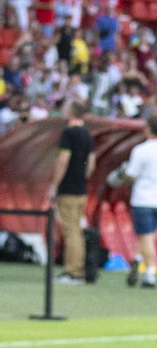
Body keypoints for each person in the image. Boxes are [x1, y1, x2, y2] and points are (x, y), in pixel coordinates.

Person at [124, 115, 157, 288]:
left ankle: (149, 274)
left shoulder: (141, 150)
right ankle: (137, 258)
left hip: (143, 198)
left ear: (148, 129)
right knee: (148, 234)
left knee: (146, 236)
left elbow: (131, 175)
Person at [51, 102, 95, 285]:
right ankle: (78, 268)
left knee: (71, 231)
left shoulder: (68, 133)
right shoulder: (87, 134)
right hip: (81, 189)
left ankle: (73, 271)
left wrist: (54, 185)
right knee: (77, 228)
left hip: (68, 188)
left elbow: (63, 160)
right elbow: (91, 164)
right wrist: (82, 178)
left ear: (71, 112)